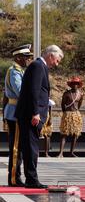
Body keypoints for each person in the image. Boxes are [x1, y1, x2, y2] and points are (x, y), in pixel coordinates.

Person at [15, 45, 64, 188]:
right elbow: (34, 91)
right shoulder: (37, 66)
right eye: (57, 60)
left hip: (32, 114)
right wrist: (35, 112)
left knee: (32, 146)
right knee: (31, 148)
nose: (56, 64)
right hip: (31, 115)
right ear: (50, 56)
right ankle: (31, 179)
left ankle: (31, 178)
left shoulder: (40, 66)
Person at [4, 44, 33, 186]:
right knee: (16, 147)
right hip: (15, 113)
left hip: (17, 112)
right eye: (25, 57)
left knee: (19, 147)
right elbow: (20, 91)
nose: (28, 60)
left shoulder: (20, 70)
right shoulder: (14, 71)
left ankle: (16, 176)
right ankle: (14, 178)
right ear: (18, 58)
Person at [58, 77, 84, 157]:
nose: (74, 85)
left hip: (76, 114)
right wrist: (65, 113)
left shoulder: (80, 94)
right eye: (73, 84)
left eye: (76, 84)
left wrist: (75, 112)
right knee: (64, 134)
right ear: (71, 85)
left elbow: (79, 105)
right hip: (67, 114)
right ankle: (61, 153)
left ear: (78, 85)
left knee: (75, 134)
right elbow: (63, 104)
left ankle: (71, 152)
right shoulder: (66, 93)